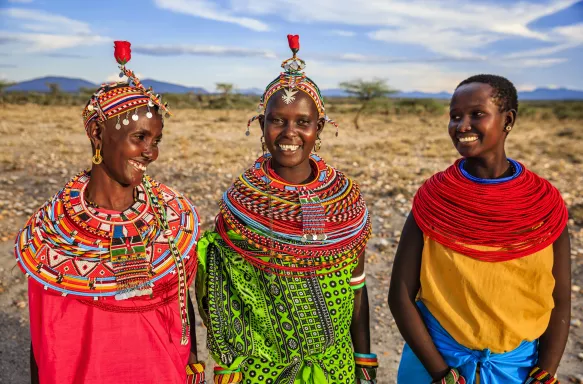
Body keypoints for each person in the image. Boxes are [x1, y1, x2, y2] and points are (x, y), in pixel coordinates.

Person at [14, 41, 205, 384]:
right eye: (139, 137)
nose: (150, 153)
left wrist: (192, 365)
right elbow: (46, 339)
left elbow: (181, 305)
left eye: (156, 141)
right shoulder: (51, 234)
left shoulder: (172, 217)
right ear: (98, 133)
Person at [195, 34, 377, 384]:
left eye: (302, 122)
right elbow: (223, 295)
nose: (289, 132)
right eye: (277, 120)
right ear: (261, 126)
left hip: (335, 366)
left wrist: (363, 360)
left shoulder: (346, 200)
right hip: (260, 370)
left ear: (319, 128)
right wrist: (228, 367)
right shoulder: (241, 205)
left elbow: (357, 286)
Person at [388, 74, 571, 384]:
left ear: (508, 120)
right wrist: (440, 373)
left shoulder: (543, 205)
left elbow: (560, 297)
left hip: (517, 371)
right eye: (455, 116)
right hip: (436, 364)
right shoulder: (434, 199)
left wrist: (547, 371)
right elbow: (399, 295)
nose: (462, 125)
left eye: (477, 114)